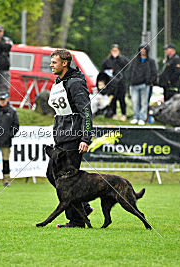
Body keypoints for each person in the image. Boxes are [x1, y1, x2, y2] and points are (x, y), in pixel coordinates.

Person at [47, 49, 94, 228]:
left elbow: (86, 113)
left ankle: (77, 220)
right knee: (52, 175)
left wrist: (85, 138)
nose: (51, 65)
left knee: (67, 181)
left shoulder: (75, 83)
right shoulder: (59, 82)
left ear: (64, 63)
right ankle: (83, 207)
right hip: (61, 138)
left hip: (74, 139)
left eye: (54, 62)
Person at [129, 44, 157, 125]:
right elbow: (130, 71)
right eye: (141, 49)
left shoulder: (151, 61)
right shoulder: (134, 60)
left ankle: (142, 118)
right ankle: (135, 117)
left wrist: (151, 81)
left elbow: (154, 72)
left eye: (144, 49)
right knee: (135, 102)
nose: (143, 51)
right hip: (134, 84)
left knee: (144, 103)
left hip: (145, 85)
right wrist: (130, 80)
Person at [101, 44, 129, 121]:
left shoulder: (122, 59)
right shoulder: (107, 61)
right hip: (112, 84)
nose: (114, 52)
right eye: (113, 50)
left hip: (121, 83)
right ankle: (114, 114)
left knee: (122, 99)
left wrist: (118, 57)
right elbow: (102, 71)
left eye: (116, 50)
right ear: (111, 51)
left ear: (119, 51)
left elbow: (127, 64)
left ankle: (124, 114)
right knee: (113, 99)